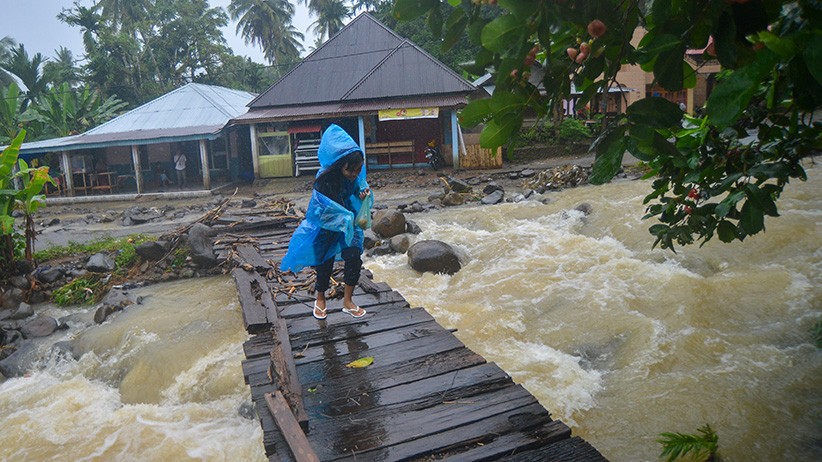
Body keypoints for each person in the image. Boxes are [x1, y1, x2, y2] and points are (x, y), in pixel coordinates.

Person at [280, 124, 372, 321]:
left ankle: (348, 302)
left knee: (354, 257)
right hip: (326, 226)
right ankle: (320, 299)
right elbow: (319, 209)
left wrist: (361, 193)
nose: (355, 174)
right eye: (351, 171)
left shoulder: (354, 177)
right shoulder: (323, 179)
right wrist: (343, 216)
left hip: (348, 225)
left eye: (358, 170)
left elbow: (356, 190)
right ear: (340, 165)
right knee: (324, 262)